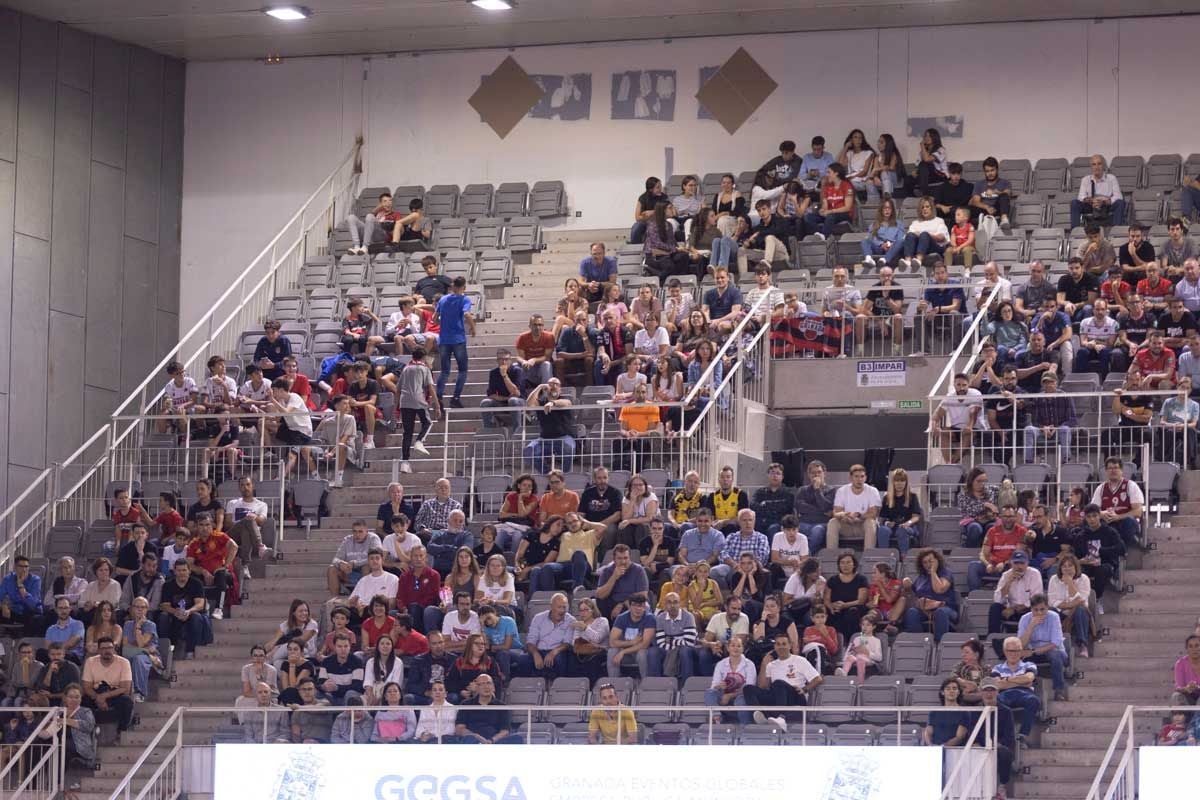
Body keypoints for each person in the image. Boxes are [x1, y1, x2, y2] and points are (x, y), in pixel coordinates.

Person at [745, 631, 822, 731]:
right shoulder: (771, 665)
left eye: (784, 644)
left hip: (796, 696)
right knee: (748, 688)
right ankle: (761, 716)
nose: (781, 647)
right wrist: (764, 664)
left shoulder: (799, 660)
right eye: (778, 644)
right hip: (777, 696)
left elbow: (818, 679)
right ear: (775, 647)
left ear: (790, 646)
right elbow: (762, 686)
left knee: (778, 683)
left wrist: (804, 689)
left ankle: (781, 718)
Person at [991, 635, 1042, 740]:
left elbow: (1029, 678)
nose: (1013, 654)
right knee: (995, 702)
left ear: (1021, 651)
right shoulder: (997, 668)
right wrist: (1021, 681)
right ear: (1005, 652)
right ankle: (1002, 736)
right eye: (1010, 651)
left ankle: (1022, 735)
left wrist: (1007, 679)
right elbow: (997, 684)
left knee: (1034, 700)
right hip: (1004, 694)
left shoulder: (1029, 665)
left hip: (1025, 693)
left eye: (1016, 651)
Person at [902, 549, 960, 642]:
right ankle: (919, 643)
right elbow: (912, 592)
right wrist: (906, 583)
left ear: (937, 561)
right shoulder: (921, 577)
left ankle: (940, 644)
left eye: (930, 561)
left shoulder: (945, 572)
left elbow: (939, 589)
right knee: (912, 612)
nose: (928, 565)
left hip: (946, 608)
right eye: (925, 562)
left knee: (940, 612)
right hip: (926, 609)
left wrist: (933, 572)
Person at [969, 504, 1029, 592]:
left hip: (1010, 566)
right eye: (1005, 516)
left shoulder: (1022, 531)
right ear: (1000, 517)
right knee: (973, 566)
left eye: (1011, 516)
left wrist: (1004, 563)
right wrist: (987, 564)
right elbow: (983, 553)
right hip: (993, 565)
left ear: (1015, 517)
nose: (1008, 519)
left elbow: (1018, 554)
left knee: (1018, 566)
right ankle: (975, 596)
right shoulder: (992, 531)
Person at [82, 636, 135, 733]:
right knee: (82, 701)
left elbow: (125, 689)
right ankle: (88, 731)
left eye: (110, 648)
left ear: (114, 649)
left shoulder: (124, 662)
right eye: (104, 648)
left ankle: (121, 731)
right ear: (98, 650)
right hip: (95, 693)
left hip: (115, 694)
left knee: (127, 701)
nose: (107, 651)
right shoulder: (90, 661)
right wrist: (98, 698)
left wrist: (104, 696)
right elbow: (87, 687)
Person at [157, 559, 208, 659]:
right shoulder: (168, 585)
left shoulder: (196, 584)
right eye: (179, 570)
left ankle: (191, 651)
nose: (182, 573)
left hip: (191, 613)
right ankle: (166, 649)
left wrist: (188, 611)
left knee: (196, 617)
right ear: (174, 571)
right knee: (163, 616)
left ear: (189, 571)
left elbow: (200, 604)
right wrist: (176, 612)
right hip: (174, 613)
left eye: (184, 570)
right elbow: (164, 605)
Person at [517, 592, 575, 679]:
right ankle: (529, 687)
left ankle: (557, 686)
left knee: (558, 660)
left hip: (558, 652)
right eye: (559, 607)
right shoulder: (538, 618)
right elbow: (530, 641)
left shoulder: (570, 620)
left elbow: (567, 643)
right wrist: (535, 653)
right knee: (523, 660)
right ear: (551, 606)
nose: (562, 611)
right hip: (539, 650)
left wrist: (553, 652)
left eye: (564, 607)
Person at [523, 379, 576, 474]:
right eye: (551, 384)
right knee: (529, 451)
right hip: (544, 439)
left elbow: (567, 403)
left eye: (556, 384)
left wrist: (553, 403)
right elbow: (528, 404)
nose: (554, 386)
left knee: (569, 448)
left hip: (563, 438)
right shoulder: (541, 402)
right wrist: (539, 387)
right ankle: (547, 474)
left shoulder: (565, 399)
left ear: (560, 389)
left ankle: (563, 475)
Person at [1091, 457, 1144, 549]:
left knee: (1128, 522)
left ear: (1121, 470)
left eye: (1116, 468)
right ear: (1106, 471)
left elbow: (1138, 512)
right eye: (1110, 468)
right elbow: (1092, 510)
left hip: (1125, 522)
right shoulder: (1101, 488)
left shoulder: (1131, 485)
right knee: (1097, 525)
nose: (1113, 471)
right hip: (1108, 522)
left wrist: (1118, 517)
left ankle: (1124, 549)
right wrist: (1102, 514)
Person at [1073, 504, 1123, 602]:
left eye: (1094, 516)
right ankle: (1081, 599)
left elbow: (1121, 549)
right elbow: (1075, 555)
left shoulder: (1110, 532)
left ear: (1099, 516)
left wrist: (1101, 551)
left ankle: (1096, 599)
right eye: (1089, 517)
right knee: (1079, 572)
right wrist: (1080, 561)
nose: (1092, 519)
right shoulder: (1081, 536)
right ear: (1085, 518)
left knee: (1103, 570)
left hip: (1105, 563)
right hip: (1087, 565)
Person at [1023, 372, 1076, 464]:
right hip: (1042, 429)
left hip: (1059, 429)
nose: (1049, 385)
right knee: (1029, 429)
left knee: (1065, 429)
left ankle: (1065, 461)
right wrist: (1043, 428)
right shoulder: (1038, 398)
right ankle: (1029, 462)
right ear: (1042, 384)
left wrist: (1056, 427)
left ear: (1057, 383)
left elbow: (1072, 419)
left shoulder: (1065, 397)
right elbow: (1034, 421)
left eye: (1051, 382)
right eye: (1046, 382)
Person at [978, 680, 1017, 799]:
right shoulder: (975, 711)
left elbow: (1009, 735)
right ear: (981, 692)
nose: (989, 694)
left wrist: (997, 745)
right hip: (980, 745)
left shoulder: (1006, 711)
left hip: (999, 746)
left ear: (997, 692)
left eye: (992, 690)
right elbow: (972, 731)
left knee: (1004, 753)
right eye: (986, 690)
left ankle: (1002, 785)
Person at [826, 464, 881, 550]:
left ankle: (868, 557)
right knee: (833, 522)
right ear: (850, 478)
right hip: (847, 524)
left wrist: (859, 515)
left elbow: (873, 514)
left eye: (862, 476)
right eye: (856, 476)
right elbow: (836, 512)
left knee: (870, 522)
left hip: (863, 526)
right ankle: (831, 556)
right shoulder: (842, 491)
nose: (860, 479)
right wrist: (845, 515)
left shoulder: (872, 491)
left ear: (865, 478)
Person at [595, 544, 650, 621]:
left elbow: (642, 595)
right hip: (612, 603)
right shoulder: (607, 571)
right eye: (619, 558)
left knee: (637, 604)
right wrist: (614, 577)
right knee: (599, 600)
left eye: (625, 558)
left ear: (629, 558)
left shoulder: (639, 570)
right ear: (614, 559)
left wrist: (622, 604)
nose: (623, 562)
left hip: (629, 603)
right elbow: (600, 595)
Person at [121, 596, 161, 703]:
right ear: (132, 609)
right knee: (125, 657)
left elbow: (140, 643)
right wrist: (146, 650)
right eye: (137, 607)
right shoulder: (128, 624)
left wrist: (138, 627)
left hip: (149, 658)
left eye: (142, 607)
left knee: (138, 659)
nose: (139, 609)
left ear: (147, 609)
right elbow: (125, 646)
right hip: (145, 654)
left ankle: (140, 693)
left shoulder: (150, 625)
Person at [1071, 154, 1126, 229]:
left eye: (1099, 164)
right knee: (1074, 203)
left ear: (1103, 166)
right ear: (1091, 167)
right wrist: (1091, 201)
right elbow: (1081, 197)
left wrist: (1104, 202)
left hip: (1106, 205)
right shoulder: (1085, 179)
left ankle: (1116, 231)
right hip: (1091, 205)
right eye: (1094, 164)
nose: (1096, 167)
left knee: (1120, 203)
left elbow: (1118, 196)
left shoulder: (1111, 178)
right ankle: (1075, 232)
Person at [802, 163, 856, 240]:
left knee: (831, 217)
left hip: (844, 214)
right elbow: (825, 204)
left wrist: (831, 211)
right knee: (808, 217)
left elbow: (848, 207)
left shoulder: (846, 186)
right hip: (830, 213)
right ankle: (820, 234)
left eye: (829, 172)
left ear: (836, 173)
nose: (827, 175)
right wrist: (823, 210)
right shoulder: (827, 186)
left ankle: (824, 237)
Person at [877, 467, 922, 555]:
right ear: (893, 482)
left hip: (908, 526)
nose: (899, 483)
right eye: (897, 481)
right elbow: (882, 517)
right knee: (883, 530)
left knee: (902, 530)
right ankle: (884, 556)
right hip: (892, 527)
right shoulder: (887, 497)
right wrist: (887, 523)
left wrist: (908, 523)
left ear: (906, 482)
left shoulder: (913, 496)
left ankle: (904, 556)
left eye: (902, 481)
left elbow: (916, 517)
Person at [793, 461, 833, 554]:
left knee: (817, 531)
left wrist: (817, 489)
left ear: (824, 473)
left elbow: (826, 507)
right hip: (804, 522)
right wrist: (821, 510)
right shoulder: (802, 490)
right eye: (813, 473)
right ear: (808, 475)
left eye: (819, 472)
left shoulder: (831, 490)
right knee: (793, 530)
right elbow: (800, 507)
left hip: (821, 523)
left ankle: (807, 557)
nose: (816, 475)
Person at [1158, 376, 1200, 465]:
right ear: (1177, 387)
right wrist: (1173, 425)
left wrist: (1181, 425)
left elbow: (1193, 423)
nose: (1184, 390)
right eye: (1182, 387)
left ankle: (1189, 460)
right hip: (1170, 428)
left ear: (1191, 390)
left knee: (1190, 431)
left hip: (1185, 428)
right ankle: (1165, 460)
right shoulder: (1168, 402)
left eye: (1187, 388)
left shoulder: (1195, 405)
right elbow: (1162, 422)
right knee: (1169, 432)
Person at [0, 554, 42, 635]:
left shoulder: (35, 580)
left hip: (30, 612)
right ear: (15, 567)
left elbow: (32, 604)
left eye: (26, 567)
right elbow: (0, 596)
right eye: (21, 566)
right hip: (13, 611)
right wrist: (4, 604)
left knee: (34, 618)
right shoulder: (8, 579)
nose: (24, 569)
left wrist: (20, 586)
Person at [925, 679, 971, 746]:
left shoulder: (964, 712)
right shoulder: (934, 712)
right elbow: (928, 732)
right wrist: (931, 746)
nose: (951, 691)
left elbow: (959, 737)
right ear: (942, 692)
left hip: (955, 751)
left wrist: (943, 747)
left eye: (954, 688)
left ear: (958, 692)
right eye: (948, 688)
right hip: (935, 751)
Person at [860, 198, 905, 268]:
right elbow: (872, 238)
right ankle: (868, 259)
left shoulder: (899, 224)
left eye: (889, 208)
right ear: (881, 210)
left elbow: (900, 238)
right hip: (879, 248)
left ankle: (885, 260)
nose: (887, 210)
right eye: (885, 208)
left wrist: (890, 245)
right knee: (865, 241)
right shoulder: (874, 224)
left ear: (892, 210)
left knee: (901, 241)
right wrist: (881, 244)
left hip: (893, 248)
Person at [970, 156, 1013, 229]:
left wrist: (996, 192)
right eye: (987, 171)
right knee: (966, 208)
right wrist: (987, 207)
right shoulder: (979, 184)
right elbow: (975, 201)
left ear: (997, 169)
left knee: (1003, 196)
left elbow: (1007, 194)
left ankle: (1004, 220)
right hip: (984, 209)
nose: (990, 173)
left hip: (998, 208)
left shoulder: (1005, 182)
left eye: (992, 170)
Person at [837, 615, 883, 681]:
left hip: (868, 660)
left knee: (860, 658)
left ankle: (860, 681)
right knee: (850, 657)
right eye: (863, 625)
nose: (865, 627)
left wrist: (867, 652)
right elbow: (847, 655)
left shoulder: (876, 641)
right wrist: (852, 651)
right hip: (856, 658)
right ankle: (843, 675)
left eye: (868, 625)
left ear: (874, 627)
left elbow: (879, 657)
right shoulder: (856, 639)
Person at [952, 639, 988, 705]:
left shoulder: (986, 668)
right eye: (962, 652)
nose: (963, 655)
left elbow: (987, 687)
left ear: (976, 655)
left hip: (981, 700)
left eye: (966, 652)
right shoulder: (959, 666)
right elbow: (953, 678)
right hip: (962, 699)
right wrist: (964, 682)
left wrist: (974, 687)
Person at [913, 128, 948, 196]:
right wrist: (916, 171)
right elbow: (918, 165)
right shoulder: (923, 152)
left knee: (924, 164)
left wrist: (922, 145)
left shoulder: (941, 150)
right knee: (908, 180)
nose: (927, 138)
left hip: (939, 176)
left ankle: (925, 195)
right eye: (925, 136)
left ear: (935, 137)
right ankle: (913, 198)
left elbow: (926, 160)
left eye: (929, 136)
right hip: (927, 176)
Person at [1171, 635, 1200, 706]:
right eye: (1190, 646)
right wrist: (1186, 688)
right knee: (1176, 696)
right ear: (1186, 649)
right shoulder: (1180, 664)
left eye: (1197, 645)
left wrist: (1198, 687)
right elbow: (1178, 687)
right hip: (1187, 697)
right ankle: (1179, 717)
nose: (1194, 649)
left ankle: (1195, 717)